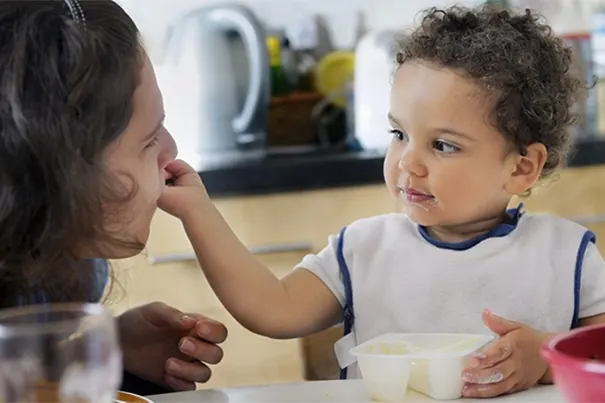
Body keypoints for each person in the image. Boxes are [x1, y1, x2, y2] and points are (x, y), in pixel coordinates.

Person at [157, 5, 605, 399]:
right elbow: (271, 308)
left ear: (522, 167)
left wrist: (546, 357)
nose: (408, 162)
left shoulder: (568, 256)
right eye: (399, 134)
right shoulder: (362, 250)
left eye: (444, 145)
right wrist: (198, 211)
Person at [0, 0, 226, 396]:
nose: (170, 151)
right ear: (61, 167)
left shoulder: (73, 266)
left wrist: (106, 355)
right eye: (149, 138)